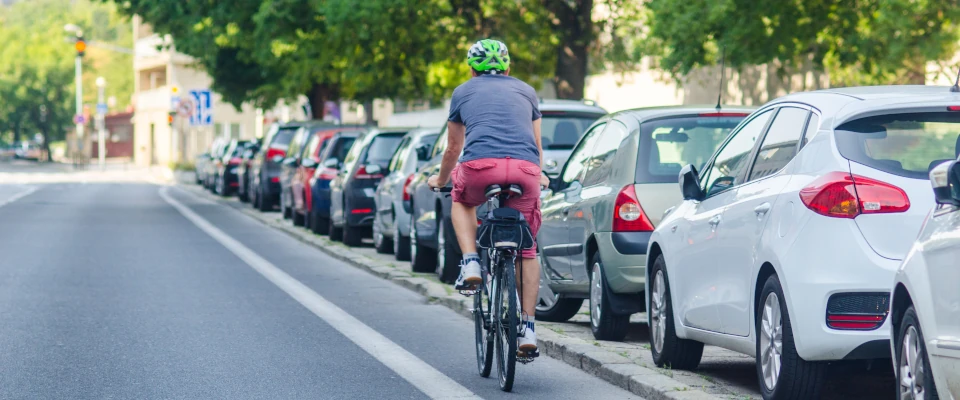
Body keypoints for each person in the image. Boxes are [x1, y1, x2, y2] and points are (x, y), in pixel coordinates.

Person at [427, 39, 549, 354]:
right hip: (525, 171)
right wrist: (539, 174)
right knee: (527, 249)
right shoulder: (527, 91)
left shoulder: (462, 92)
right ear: (508, 67)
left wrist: (440, 179)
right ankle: (528, 330)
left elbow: (453, 148)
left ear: (471, 68)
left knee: (462, 200)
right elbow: (536, 146)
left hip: (481, 168)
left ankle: (470, 263)